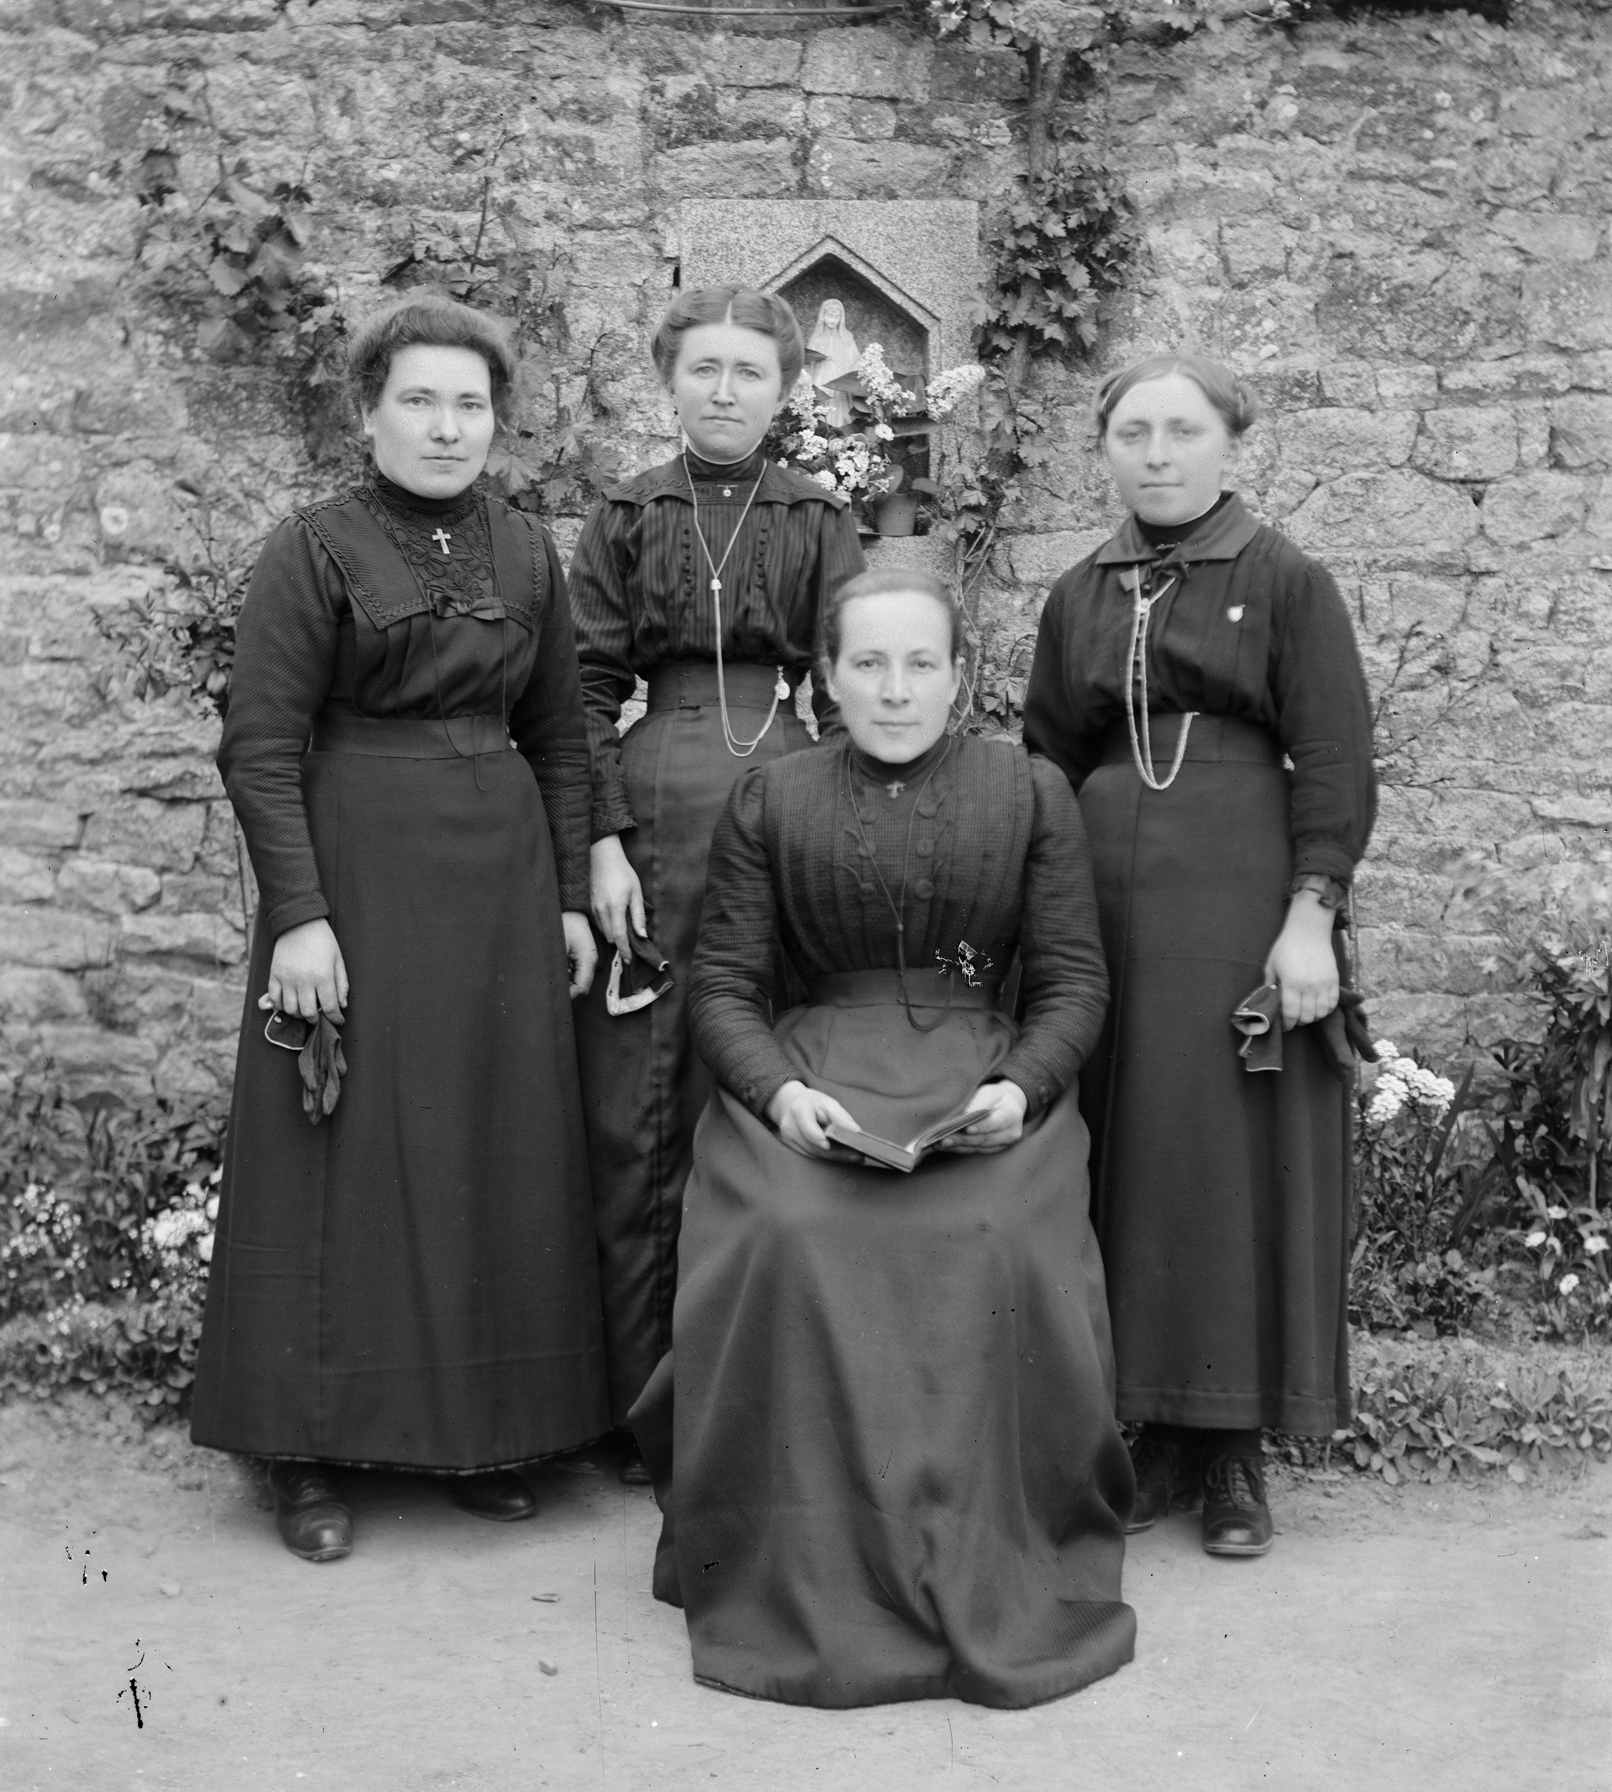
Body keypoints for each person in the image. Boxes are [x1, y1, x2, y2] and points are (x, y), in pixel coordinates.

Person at [632, 567, 1136, 1709]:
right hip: (817, 1075)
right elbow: (720, 984)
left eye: (920, 664)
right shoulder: (774, 796)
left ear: (960, 677)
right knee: (794, 1227)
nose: (894, 690)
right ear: (828, 677)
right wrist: (774, 1094)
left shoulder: (1029, 790)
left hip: (977, 1074)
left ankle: (989, 1540)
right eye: (867, 664)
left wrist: (1020, 1087)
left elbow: (1069, 983)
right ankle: (798, 1558)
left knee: (994, 1226)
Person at [191, 290, 610, 1562]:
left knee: (486, 1145)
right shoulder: (310, 549)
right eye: (418, 401)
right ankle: (304, 1449)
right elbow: (258, 746)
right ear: (369, 414)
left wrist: (567, 897)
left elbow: (558, 733)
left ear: (497, 423)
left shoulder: (527, 549)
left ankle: (476, 1430)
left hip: (495, 889)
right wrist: (301, 920)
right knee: (342, 1153)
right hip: (356, 880)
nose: (445, 426)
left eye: (468, 405)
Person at [1022, 352, 1377, 1559]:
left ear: (1229, 442)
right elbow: (1044, 764)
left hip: (1240, 891)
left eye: (1181, 431)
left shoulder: (1284, 580)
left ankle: (1233, 1451)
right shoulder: (1078, 594)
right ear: (1105, 447)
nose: (1157, 454)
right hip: (1103, 900)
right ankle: (1151, 1429)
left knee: (1224, 1156)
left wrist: (1309, 915)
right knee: (1128, 1149)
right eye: (1132, 432)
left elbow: (1334, 755)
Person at [567, 285, 864, 1458]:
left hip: (779, 790)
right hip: (646, 802)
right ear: (670, 380)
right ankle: (635, 1406)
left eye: (749, 371)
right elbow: (582, 688)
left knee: (752, 1084)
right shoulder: (628, 511)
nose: (725, 390)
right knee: (638, 1105)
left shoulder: (816, 516)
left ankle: (747, 1405)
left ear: (784, 388)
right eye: (704, 370)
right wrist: (597, 841)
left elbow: (849, 687)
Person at [805, 296, 860, 427]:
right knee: (822, 403)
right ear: (823, 316)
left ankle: (840, 431)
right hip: (821, 377)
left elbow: (855, 358)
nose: (833, 320)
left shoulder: (847, 337)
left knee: (839, 404)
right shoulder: (817, 338)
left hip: (840, 378)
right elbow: (808, 359)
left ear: (841, 318)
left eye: (836, 316)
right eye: (830, 315)